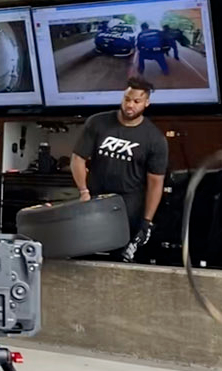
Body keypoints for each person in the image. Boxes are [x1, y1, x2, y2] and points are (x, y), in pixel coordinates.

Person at [71, 77, 168, 257]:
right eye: (127, 99)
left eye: (136, 101)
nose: (130, 105)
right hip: (94, 198)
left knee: (118, 257)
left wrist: (146, 222)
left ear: (146, 103)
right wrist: (83, 191)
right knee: (86, 254)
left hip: (128, 205)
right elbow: (78, 158)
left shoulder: (155, 139)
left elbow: (155, 183)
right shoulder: (97, 122)